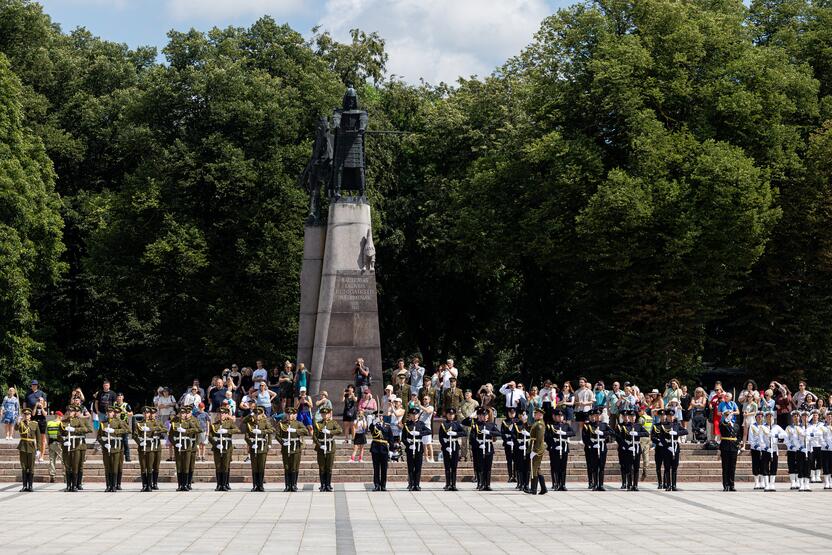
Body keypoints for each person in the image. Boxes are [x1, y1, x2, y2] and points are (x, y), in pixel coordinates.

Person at [462, 407, 499, 491]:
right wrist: (478, 444)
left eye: (485, 415)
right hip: (479, 448)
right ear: (479, 416)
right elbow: (472, 437)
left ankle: (487, 484)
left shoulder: (491, 425)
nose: (484, 417)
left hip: (488, 448)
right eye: (482, 415)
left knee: (488, 467)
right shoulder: (475, 425)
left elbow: (499, 433)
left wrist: (490, 432)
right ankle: (480, 484)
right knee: (480, 467)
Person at [59, 404, 91, 492]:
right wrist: (63, 441)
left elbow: (86, 429)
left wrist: (74, 430)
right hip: (67, 446)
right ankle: (68, 485)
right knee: (67, 466)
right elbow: (59, 435)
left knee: (76, 466)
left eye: (72, 411)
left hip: (76, 446)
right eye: (69, 411)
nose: (70, 412)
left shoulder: (79, 421)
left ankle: (75, 485)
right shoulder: (63, 422)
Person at [98, 405, 129, 492]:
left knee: (115, 467)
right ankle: (108, 485)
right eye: (108, 412)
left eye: (111, 412)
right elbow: (99, 437)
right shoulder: (103, 423)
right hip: (106, 448)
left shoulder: (118, 422)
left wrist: (115, 431)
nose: (109, 413)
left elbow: (127, 430)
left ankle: (114, 485)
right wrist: (104, 444)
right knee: (107, 467)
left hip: (116, 447)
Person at [276, 406, 308, 492]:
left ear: (295, 415)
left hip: (295, 447)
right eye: (288, 414)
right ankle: (287, 485)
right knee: (287, 467)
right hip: (286, 447)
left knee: (294, 467)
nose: (290, 416)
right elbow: (277, 435)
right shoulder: (282, 423)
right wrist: (283, 442)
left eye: (292, 414)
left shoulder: (298, 423)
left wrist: (295, 430)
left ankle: (293, 485)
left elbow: (306, 431)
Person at [209, 406, 240, 491]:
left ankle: (224, 484)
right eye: (219, 413)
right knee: (218, 465)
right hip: (218, 447)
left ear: (226, 414)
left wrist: (227, 431)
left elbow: (237, 430)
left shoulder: (230, 423)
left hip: (227, 446)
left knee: (225, 465)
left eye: (222, 413)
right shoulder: (214, 425)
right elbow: (210, 437)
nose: (221, 415)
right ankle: (219, 485)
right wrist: (215, 444)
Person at [244, 406, 274, 491]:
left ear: (262, 414)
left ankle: (260, 485)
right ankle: (254, 485)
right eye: (256, 414)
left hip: (262, 446)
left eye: (259, 414)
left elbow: (272, 430)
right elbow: (246, 436)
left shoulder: (265, 422)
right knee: (254, 467)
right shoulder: (250, 422)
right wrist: (251, 444)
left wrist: (262, 432)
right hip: (253, 446)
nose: (257, 416)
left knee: (261, 466)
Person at [171, 405, 201, 491]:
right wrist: (174, 444)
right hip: (179, 446)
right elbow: (171, 435)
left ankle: (187, 483)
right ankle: (181, 485)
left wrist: (196, 443)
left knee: (189, 466)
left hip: (190, 445)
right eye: (182, 412)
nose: (184, 414)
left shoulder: (193, 420)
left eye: (187, 412)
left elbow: (198, 430)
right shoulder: (175, 422)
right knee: (179, 466)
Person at [134, 406, 163, 492]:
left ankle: (150, 485)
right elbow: (135, 435)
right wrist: (140, 442)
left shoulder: (153, 423)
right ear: (143, 414)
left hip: (151, 447)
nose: (146, 414)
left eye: (148, 413)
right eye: (145, 413)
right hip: (142, 448)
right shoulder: (139, 424)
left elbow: (161, 428)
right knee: (143, 467)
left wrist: (151, 429)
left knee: (150, 467)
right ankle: (144, 485)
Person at [313, 406, 342, 492]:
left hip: (330, 446)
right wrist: (319, 445)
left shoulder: (333, 423)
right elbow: (314, 436)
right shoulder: (318, 424)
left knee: (329, 467)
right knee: (322, 467)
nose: (325, 415)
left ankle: (328, 485)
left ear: (329, 414)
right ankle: (322, 485)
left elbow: (340, 430)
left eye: (326, 413)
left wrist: (330, 432)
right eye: (323, 414)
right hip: (321, 446)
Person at [545, 408, 575, 491]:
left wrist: (565, 433)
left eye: (561, 416)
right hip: (554, 448)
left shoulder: (566, 425)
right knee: (555, 466)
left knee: (563, 467)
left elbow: (573, 433)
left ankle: (563, 484)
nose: (560, 417)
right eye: (558, 416)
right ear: (554, 416)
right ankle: (555, 483)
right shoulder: (550, 426)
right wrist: (553, 445)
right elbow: (546, 437)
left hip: (564, 447)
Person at [402, 407, 431, 491]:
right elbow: (403, 438)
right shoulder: (407, 425)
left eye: (416, 414)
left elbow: (429, 431)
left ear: (418, 415)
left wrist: (420, 433)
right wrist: (408, 445)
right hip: (410, 448)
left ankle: (417, 484)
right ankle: (411, 484)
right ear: (410, 415)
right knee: (410, 467)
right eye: (412, 414)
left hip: (418, 447)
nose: (414, 416)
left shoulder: (421, 424)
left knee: (418, 467)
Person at [439, 407, 464, 490]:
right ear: (446, 415)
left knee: (454, 466)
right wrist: (445, 446)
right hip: (447, 447)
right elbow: (440, 437)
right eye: (449, 414)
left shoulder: (457, 424)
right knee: (447, 466)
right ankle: (447, 484)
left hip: (454, 446)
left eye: (452, 414)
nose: (451, 416)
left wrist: (455, 433)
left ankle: (453, 484)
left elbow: (464, 433)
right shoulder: (443, 424)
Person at [761, 410, 786, 491]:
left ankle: (772, 484)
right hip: (766, 450)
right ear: (765, 418)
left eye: (771, 417)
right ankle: (766, 484)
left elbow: (784, 434)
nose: (769, 418)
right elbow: (760, 439)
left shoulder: (776, 427)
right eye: (768, 417)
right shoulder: (762, 427)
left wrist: (776, 435)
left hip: (774, 449)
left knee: (774, 466)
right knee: (764, 467)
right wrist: (765, 447)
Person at [369, 409, 394, 491]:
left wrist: (391, 450)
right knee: (376, 468)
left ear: (382, 417)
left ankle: (383, 485)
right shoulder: (373, 425)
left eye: (380, 416)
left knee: (384, 468)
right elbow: (371, 429)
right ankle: (376, 485)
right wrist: (374, 423)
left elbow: (391, 438)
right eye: (377, 416)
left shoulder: (387, 426)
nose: (379, 417)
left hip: (384, 448)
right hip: (375, 448)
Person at [16, 408, 39, 492]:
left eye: (28, 414)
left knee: (31, 467)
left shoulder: (35, 424)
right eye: (25, 414)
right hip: (23, 447)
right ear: (23, 415)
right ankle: (24, 486)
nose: (26, 416)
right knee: (24, 467)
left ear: (30, 415)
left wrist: (39, 449)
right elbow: (15, 428)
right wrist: (17, 421)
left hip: (32, 447)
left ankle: (30, 486)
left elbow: (39, 438)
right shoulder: (20, 423)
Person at [527, 406, 547, 495]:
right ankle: (543, 488)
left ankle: (533, 489)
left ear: (540, 415)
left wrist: (535, 451)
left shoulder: (540, 424)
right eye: (535, 413)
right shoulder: (537, 423)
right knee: (537, 468)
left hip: (537, 449)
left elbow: (539, 439)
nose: (534, 415)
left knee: (534, 468)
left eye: (536, 414)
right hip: (535, 447)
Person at [718, 412, 740, 491]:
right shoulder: (723, 424)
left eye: (730, 415)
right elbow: (722, 426)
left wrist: (738, 446)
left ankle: (732, 484)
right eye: (727, 415)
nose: (729, 416)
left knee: (732, 467)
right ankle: (726, 485)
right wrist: (726, 420)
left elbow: (738, 437)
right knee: (725, 467)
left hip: (734, 447)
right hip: (725, 447)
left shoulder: (736, 425)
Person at [513, 411, 532, 492]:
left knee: (527, 467)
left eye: (525, 414)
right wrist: (518, 445)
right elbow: (513, 436)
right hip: (519, 449)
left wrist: (528, 435)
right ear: (519, 415)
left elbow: (535, 437)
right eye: (523, 414)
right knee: (520, 466)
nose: (524, 416)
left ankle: (527, 484)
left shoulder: (530, 426)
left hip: (528, 448)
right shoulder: (516, 425)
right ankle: (521, 484)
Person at [747, 411, 766, 490]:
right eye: (758, 416)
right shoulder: (752, 426)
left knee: (763, 464)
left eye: (761, 416)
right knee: (755, 464)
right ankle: (756, 482)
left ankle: (762, 482)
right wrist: (755, 445)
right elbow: (750, 438)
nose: (760, 418)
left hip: (764, 448)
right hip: (755, 448)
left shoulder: (765, 426)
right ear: (756, 417)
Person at [500, 406, 517, 483]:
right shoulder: (505, 422)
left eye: (513, 413)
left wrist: (516, 440)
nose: (512, 414)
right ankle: (510, 476)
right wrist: (506, 441)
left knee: (516, 460)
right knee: (509, 460)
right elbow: (502, 433)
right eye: (510, 413)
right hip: (508, 443)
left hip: (516, 444)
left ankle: (516, 476)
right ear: (508, 413)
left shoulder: (518, 421)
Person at [45, 411, 63, 483]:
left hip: (51, 443)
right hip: (59, 444)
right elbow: (62, 434)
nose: (62, 418)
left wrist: (48, 443)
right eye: (61, 417)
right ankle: (65, 475)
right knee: (63, 459)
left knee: (52, 459)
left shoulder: (49, 423)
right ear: (59, 416)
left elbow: (47, 434)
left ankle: (52, 475)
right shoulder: (60, 423)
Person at [417, 395, 435, 462]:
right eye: (423, 399)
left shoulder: (431, 407)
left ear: (429, 400)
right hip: (421, 427)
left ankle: (432, 457)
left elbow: (428, 411)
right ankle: (426, 458)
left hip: (427, 426)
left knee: (429, 443)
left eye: (426, 399)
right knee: (424, 444)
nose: (424, 400)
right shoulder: (421, 408)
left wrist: (420, 406)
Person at [32, 396, 48, 461]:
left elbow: (45, 415)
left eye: (41, 400)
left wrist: (42, 408)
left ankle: (42, 456)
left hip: (42, 423)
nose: (40, 401)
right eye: (39, 400)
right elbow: (33, 414)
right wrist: (36, 406)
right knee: (34, 438)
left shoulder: (44, 407)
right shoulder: (35, 406)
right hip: (35, 423)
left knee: (43, 440)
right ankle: (37, 451)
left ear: (43, 401)